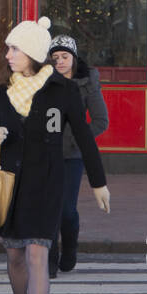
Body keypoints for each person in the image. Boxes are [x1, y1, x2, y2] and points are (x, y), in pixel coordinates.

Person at [0, 17, 110, 294]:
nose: (8, 54)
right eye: (9, 48)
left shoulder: (63, 90)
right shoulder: (2, 89)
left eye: (14, 48)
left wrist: (99, 183)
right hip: (10, 182)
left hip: (47, 180)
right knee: (15, 255)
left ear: (33, 53)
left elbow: (84, 136)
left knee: (38, 252)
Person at [46, 34, 109, 278]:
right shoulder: (43, 80)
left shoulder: (86, 81)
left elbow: (101, 121)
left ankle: (69, 247)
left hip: (73, 155)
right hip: (46, 152)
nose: (60, 62)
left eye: (64, 57)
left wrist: (75, 139)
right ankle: (49, 261)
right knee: (48, 207)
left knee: (66, 210)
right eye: (55, 57)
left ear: (74, 57)